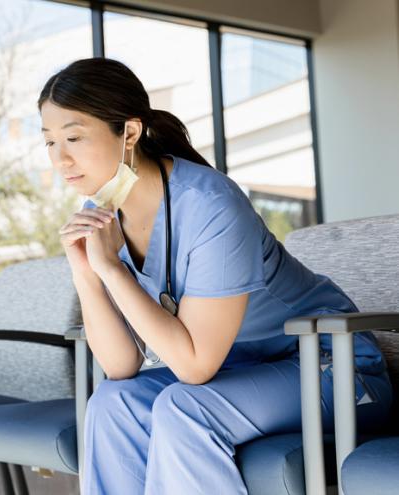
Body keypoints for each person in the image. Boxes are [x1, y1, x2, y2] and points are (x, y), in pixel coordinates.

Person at [37, 57, 393, 494]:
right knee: (114, 403)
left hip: (331, 369)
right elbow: (121, 366)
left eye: (73, 137)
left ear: (129, 132)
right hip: (238, 373)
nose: (61, 159)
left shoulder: (210, 204)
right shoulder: (103, 218)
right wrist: (87, 273)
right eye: (50, 142)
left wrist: (112, 268)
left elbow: (193, 367)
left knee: (184, 408)